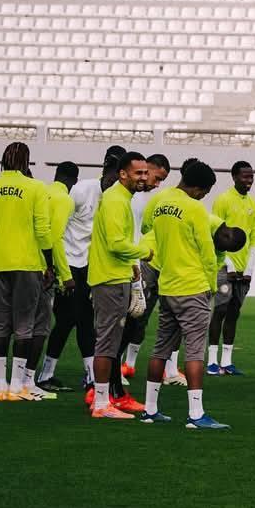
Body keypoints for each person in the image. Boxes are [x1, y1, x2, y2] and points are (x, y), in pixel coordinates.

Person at [136, 159, 238, 429]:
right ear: (197, 188)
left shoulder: (158, 201)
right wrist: (211, 287)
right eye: (204, 192)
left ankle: (150, 409)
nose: (204, 197)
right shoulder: (195, 209)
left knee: (160, 349)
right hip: (193, 287)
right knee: (194, 352)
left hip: (166, 285)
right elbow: (207, 252)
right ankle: (195, 415)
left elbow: (146, 228)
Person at [0, 142, 54, 402]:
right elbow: (43, 231)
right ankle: (18, 385)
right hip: (29, 263)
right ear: (27, 161)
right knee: (24, 326)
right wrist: (49, 263)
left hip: (0, 263)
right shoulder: (35, 188)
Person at [89, 151, 153, 419]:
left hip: (115, 276)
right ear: (123, 174)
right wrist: (142, 253)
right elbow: (116, 243)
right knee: (107, 343)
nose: (143, 177)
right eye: (138, 173)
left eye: (145, 172)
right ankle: (101, 403)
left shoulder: (121, 198)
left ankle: (104, 399)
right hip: (110, 279)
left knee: (110, 342)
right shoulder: (116, 200)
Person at [63, 146, 123, 399]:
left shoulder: (121, 197)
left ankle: (99, 376)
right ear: (105, 171)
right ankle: (90, 374)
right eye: (111, 178)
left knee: (100, 324)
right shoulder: (82, 190)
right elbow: (61, 224)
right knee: (80, 320)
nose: (113, 184)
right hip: (74, 265)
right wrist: (60, 267)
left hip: (99, 267)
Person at [120, 152, 171, 382]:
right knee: (123, 319)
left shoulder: (142, 198)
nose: (156, 184)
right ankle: (103, 375)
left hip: (137, 263)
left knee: (139, 315)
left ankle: (123, 368)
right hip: (128, 264)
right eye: (156, 177)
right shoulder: (124, 197)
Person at [208, 160, 255, 376]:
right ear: (234, 177)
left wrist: (248, 269)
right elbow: (217, 234)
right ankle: (211, 361)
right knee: (219, 310)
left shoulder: (253, 205)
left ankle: (227, 361)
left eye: (251, 176)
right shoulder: (223, 200)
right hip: (223, 267)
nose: (249, 181)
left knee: (233, 313)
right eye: (245, 176)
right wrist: (228, 265)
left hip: (242, 271)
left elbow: (254, 238)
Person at [31, 161, 79, 393]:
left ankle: (6, 377)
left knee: (17, 326)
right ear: (74, 181)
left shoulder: (40, 191)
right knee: (40, 326)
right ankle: (31, 381)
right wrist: (65, 275)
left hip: (26, 264)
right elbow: (55, 238)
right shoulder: (64, 199)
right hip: (45, 270)